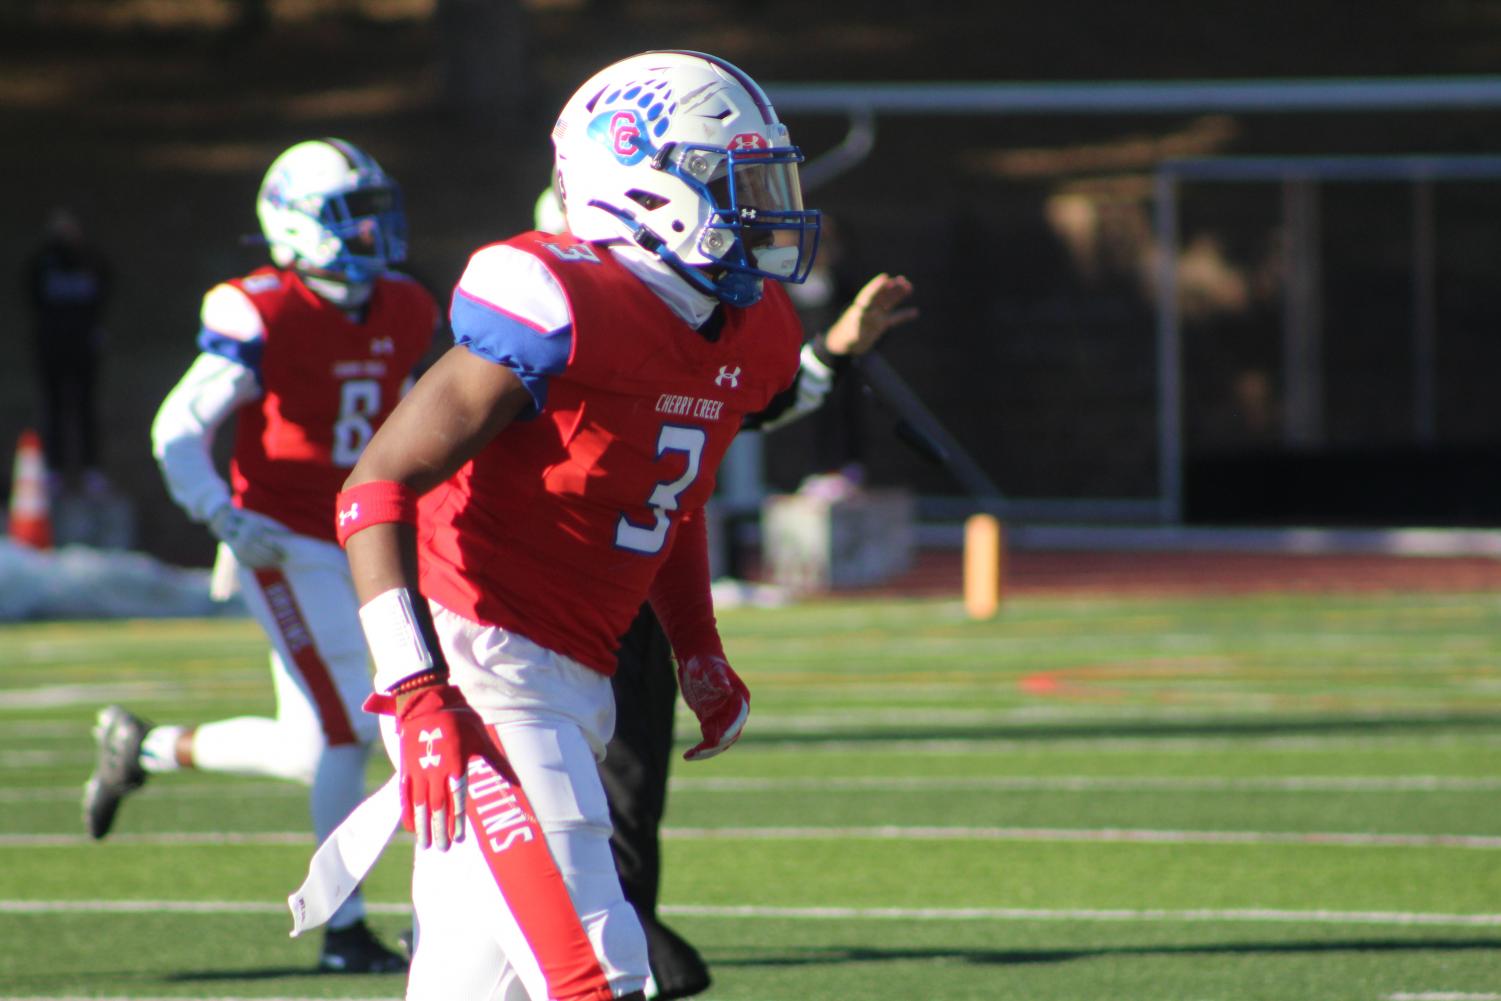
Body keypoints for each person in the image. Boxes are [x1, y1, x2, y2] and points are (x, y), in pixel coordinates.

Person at [316, 50, 912, 1001]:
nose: (767, 208)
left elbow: (666, 500)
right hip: (484, 667)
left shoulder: (743, 330)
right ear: (643, 183)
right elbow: (372, 488)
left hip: (574, 670)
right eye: (737, 183)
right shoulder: (558, 300)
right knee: (599, 977)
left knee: (472, 986)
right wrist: (417, 693)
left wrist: (699, 647)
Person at [82, 138, 437, 974]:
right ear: (294, 225)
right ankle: (344, 930)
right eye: (350, 216)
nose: (370, 232)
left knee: (315, 745)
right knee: (352, 730)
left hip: (367, 534)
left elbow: (425, 415)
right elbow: (178, 426)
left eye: (374, 211)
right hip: (282, 541)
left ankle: (147, 748)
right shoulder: (260, 308)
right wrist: (220, 512)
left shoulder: (407, 305)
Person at [23, 207, 113, 496]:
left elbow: (105, 291)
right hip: (52, 346)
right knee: (53, 408)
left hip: (83, 347)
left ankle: (90, 468)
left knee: (85, 407)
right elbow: (31, 296)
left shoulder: (90, 261)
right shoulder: (43, 263)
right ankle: (54, 469)